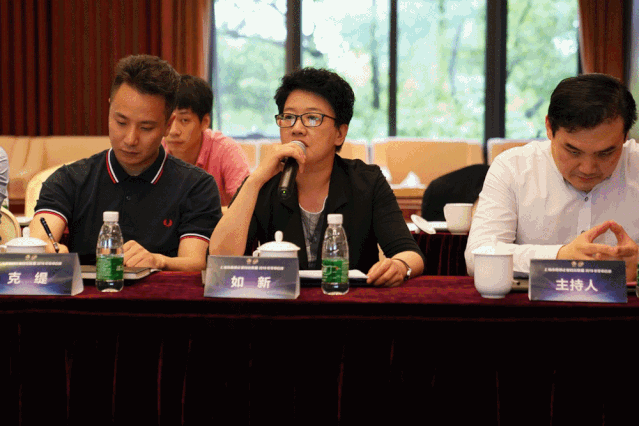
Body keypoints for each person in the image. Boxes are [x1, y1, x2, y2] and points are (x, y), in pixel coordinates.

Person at [209, 67, 425, 287]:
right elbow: (219, 260)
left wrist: (399, 266)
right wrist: (254, 182)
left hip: (348, 302)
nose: (297, 129)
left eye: (312, 118)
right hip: (281, 304)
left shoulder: (367, 182)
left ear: (340, 133)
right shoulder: (264, 182)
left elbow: (409, 253)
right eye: (289, 117)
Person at [30, 55, 222, 271]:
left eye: (146, 128)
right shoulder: (69, 179)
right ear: (109, 110)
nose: (131, 139)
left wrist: (158, 261)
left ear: (168, 126)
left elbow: (195, 262)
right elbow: (40, 241)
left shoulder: (196, 186)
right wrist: (45, 249)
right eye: (121, 122)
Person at [465, 73, 639, 282]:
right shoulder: (513, 167)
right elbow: (477, 255)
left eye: (605, 153)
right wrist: (559, 256)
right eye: (573, 151)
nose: (587, 168)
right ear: (549, 128)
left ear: (626, 136)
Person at [163, 75, 250, 206]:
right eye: (169, 119)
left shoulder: (225, 150)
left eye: (184, 120)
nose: (173, 131)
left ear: (205, 122)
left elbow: (247, 205)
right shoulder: (155, 149)